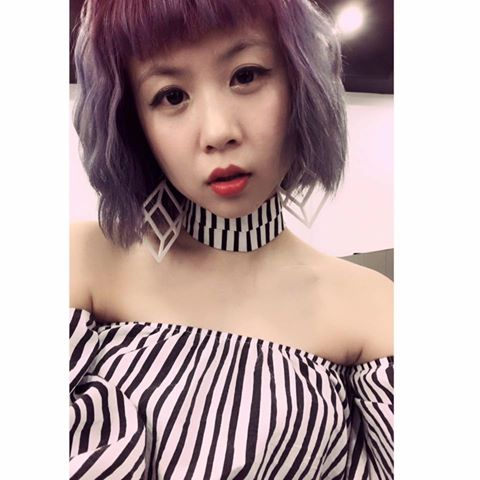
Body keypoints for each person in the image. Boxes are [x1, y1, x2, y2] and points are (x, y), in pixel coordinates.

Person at [69, 0, 394, 478]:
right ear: (134, 123)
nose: (218, 132)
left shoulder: (375, 309)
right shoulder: (81, 261)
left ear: (300, 82)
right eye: (171, 96)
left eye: (246, 75)